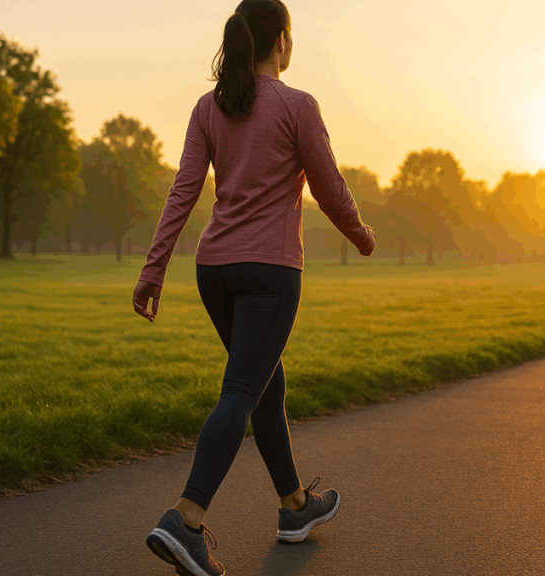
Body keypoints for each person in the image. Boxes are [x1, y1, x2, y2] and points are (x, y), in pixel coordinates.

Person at [131, 1, 376, 574]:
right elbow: (330, 187)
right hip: (269, 272)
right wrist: (361, 235)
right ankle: (185, 519)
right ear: (282, 42)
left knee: (266, 382)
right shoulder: (296, 105)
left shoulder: (208, 107)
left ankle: (294, 507)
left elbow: (183, 192)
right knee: (242, 390)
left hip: (213, 271)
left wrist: (153, 268)